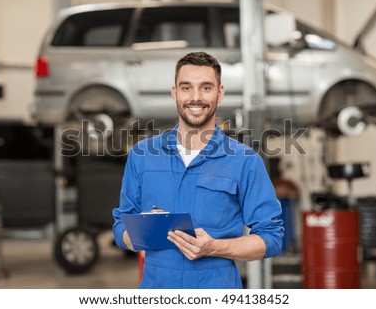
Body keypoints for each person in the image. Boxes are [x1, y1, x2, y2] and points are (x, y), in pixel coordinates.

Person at [112, 51, 283, 288]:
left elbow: (272, 237)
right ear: (174, 93)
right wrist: (145, 232)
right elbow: (120, 227)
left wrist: (216, 247)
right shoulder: (142, 156)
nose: (195, 97)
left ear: (219, 93)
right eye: (186, 88)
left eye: (205, 88)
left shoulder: (244, 161)